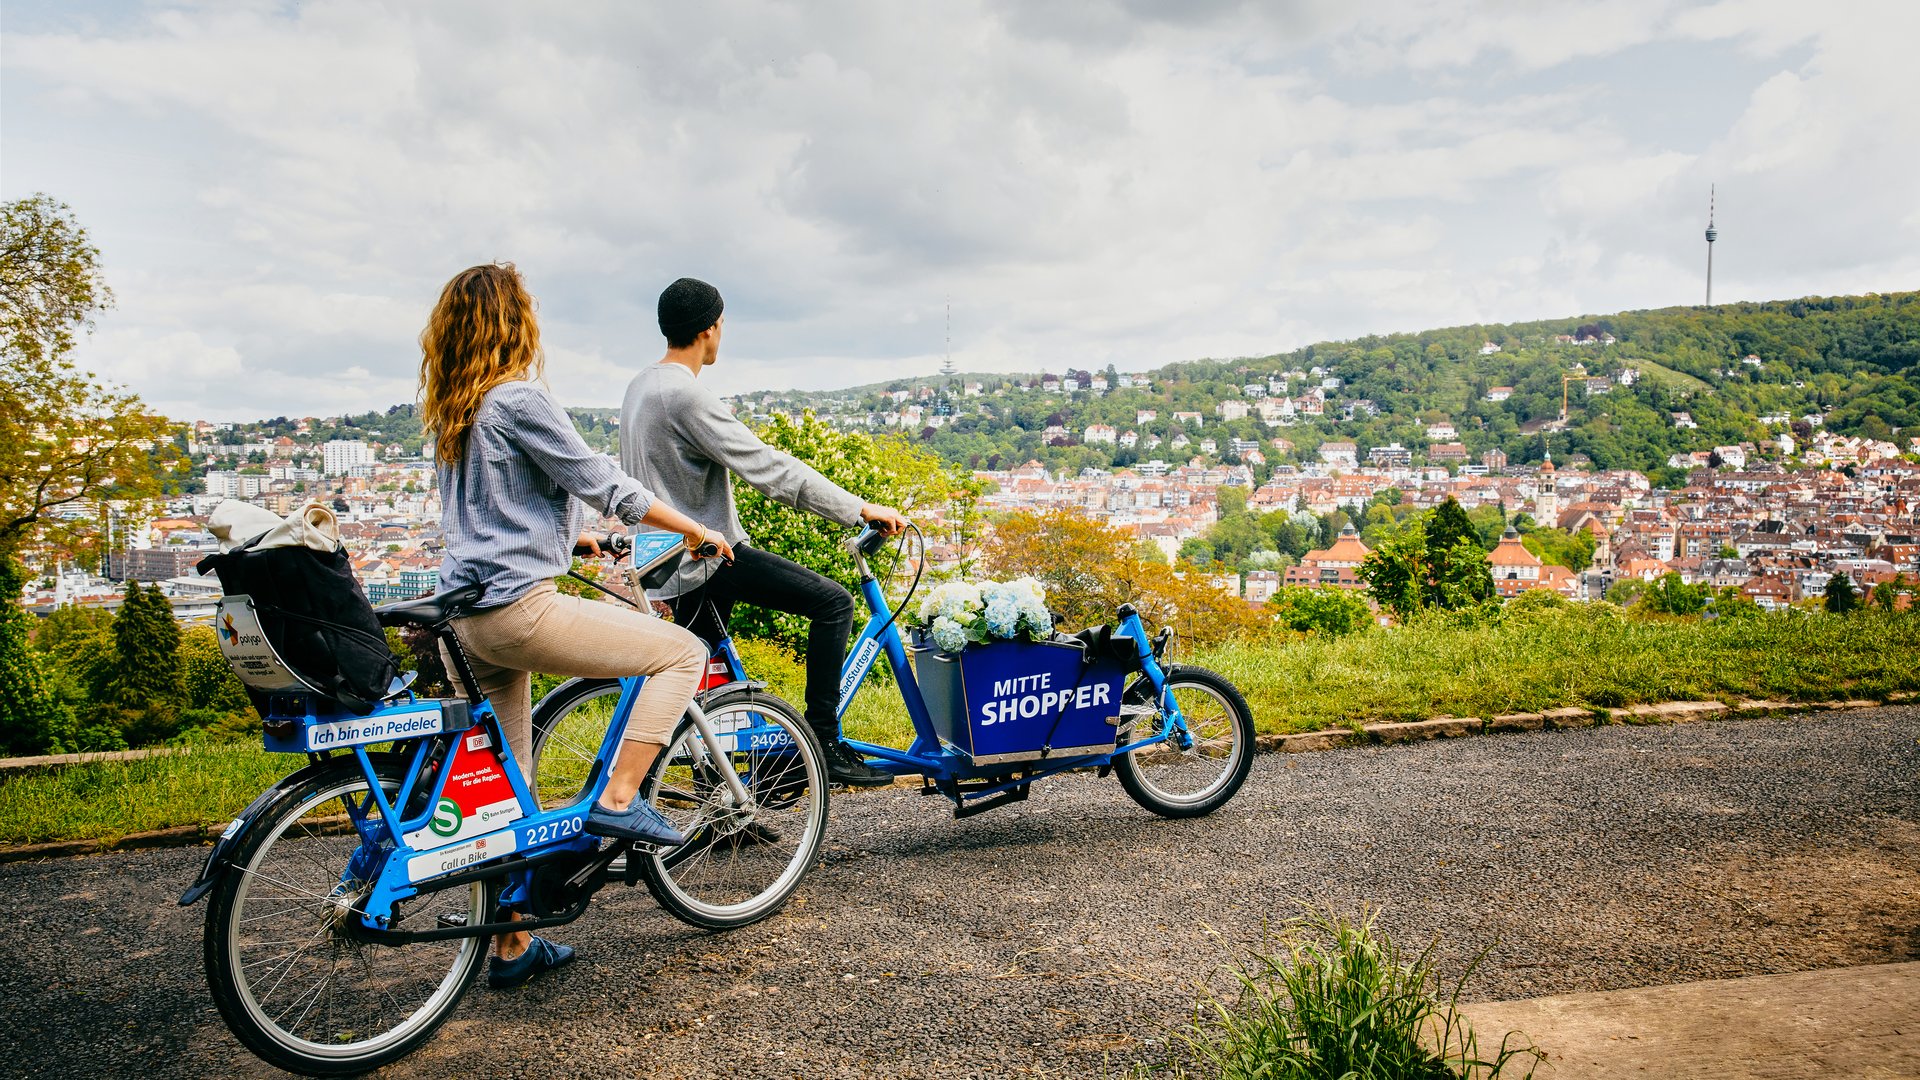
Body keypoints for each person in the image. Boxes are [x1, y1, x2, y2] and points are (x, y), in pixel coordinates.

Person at [422, 262, 734, 989]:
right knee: (679, 654)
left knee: (510, 786)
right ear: (516, 324)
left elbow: (493, 517)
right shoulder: (518, 398)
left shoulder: (458, 410)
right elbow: (603, 482)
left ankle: (511, 947)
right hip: (516, 612)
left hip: (465, 618)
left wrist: (570, 542)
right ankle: (620, 801)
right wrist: (693, 528)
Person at [620, 277, 905, 786]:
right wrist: (857, 508)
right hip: (706, 558)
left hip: (665, 560)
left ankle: (724, 803)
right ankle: (823, 743)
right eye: (722, 324)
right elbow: (770, 468)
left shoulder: (641, 386)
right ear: (711, 329)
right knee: (833, 603)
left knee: (694, 691)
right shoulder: (684, 396)